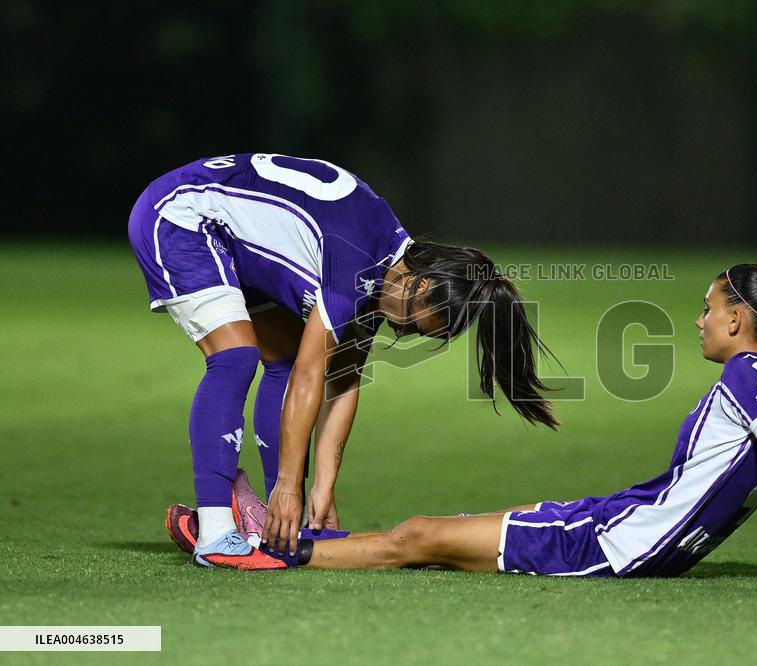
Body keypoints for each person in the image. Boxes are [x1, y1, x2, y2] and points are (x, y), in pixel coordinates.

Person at [253, 264, 757, 586]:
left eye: (706, 308)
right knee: (472, 525)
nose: (697, 321)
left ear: (738, 322)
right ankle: (315, 541)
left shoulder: (750, 377)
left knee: (420, 537)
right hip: (623, 518)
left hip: (615, 543)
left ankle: (271, 550)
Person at [128, 153, 558, 570]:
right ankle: (217, 534)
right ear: (421, 284)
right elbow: (310, 375)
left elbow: (343, 381)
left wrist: (321, 487)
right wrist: (289, 487)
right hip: (181, 216)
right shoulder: (358, 265)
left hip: (234, 239)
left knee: (284, 359)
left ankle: (275, 526)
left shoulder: (387, 274)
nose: (403, 333)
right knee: (236, 355)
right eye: (412, 322)